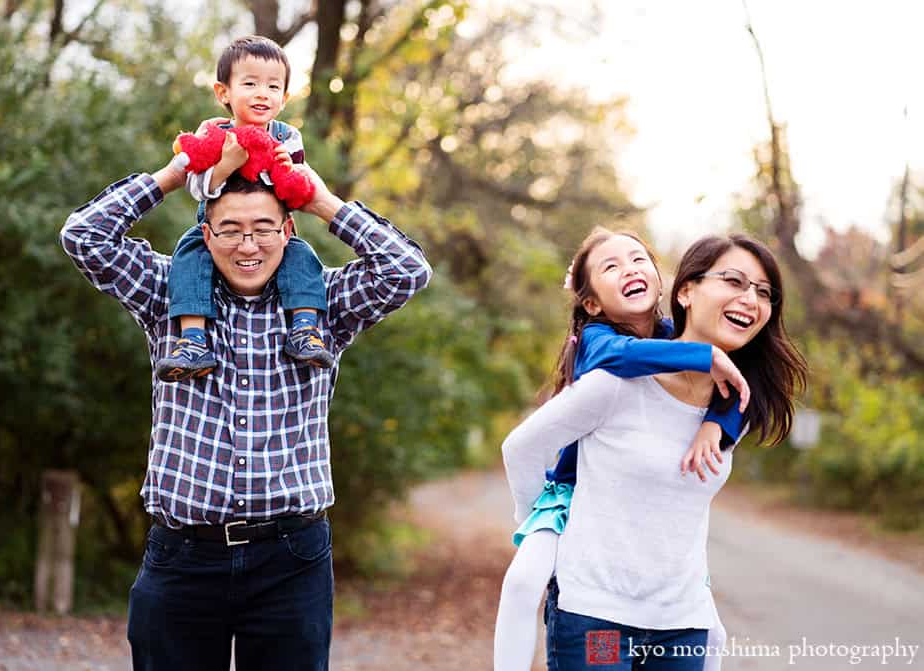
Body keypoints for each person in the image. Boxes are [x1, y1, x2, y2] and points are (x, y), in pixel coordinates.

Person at [60, 150, 431, 669]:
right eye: (230, 230)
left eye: (263, 228)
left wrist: (322, 202)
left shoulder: (322, 303)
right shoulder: (167, 293)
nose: (248, 245)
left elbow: (407, 270)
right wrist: (175, 175)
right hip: (183, 558)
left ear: (287, 231)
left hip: (291, 559)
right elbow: (84, 237)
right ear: (206, 235)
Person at [503, 233, 807, 670]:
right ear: (686, 291)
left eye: (764, 292)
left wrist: (715, 424)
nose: (750, 299)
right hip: (598, 618)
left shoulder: (736, 402)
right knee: (521, 583)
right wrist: (544, 525)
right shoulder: (613, 378)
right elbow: (521, 448)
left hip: (682, 622)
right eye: (734, 281)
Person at [155, 34, 334, 382]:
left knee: (302, 256)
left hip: (272, 230)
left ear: (284, 98)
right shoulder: (213, 133)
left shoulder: (288, 138)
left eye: (272, 86)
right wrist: (226, 164)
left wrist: (286, 168)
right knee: (187, 257)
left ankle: (304, 328)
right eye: (250, 84)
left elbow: (296, 187)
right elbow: (196, 187)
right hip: (217, 229)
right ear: (224, 92)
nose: (262, 93)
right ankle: (192, 339)